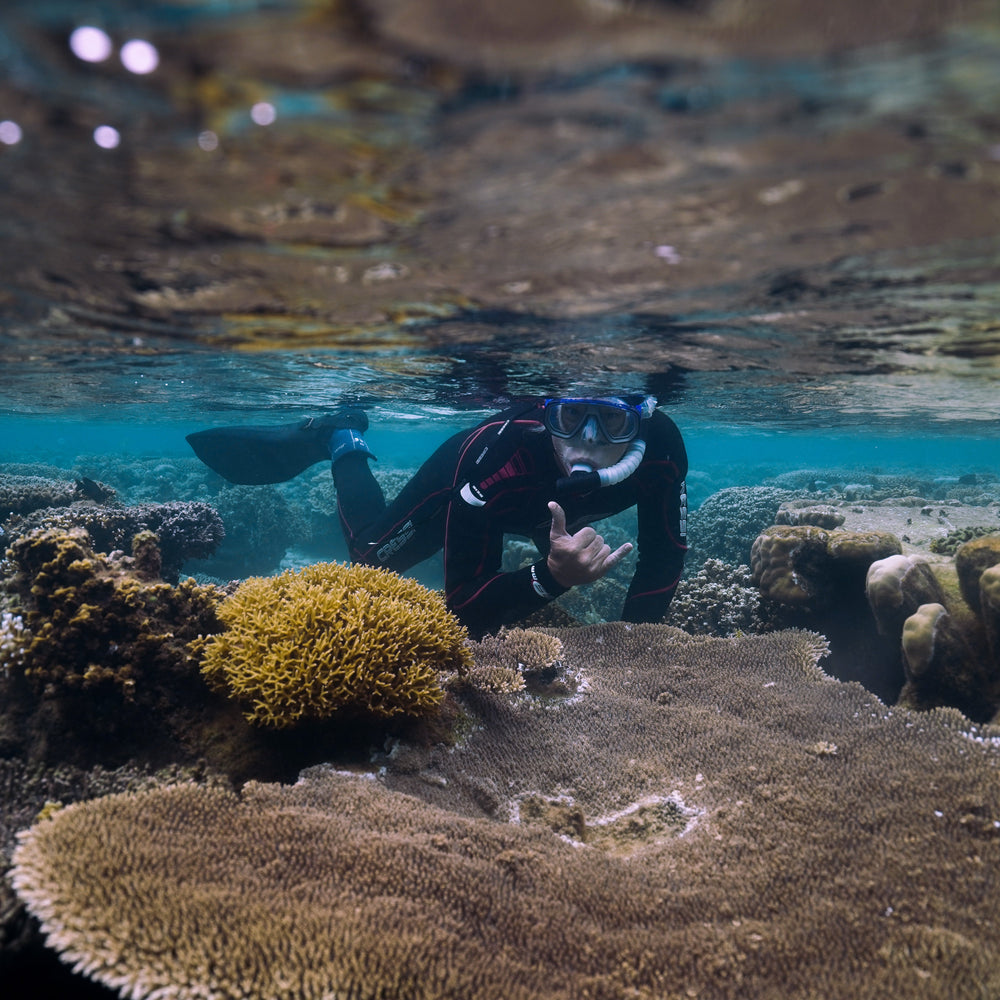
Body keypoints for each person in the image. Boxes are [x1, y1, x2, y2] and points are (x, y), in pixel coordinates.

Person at [187, 395, 687, 638]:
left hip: (541, 515)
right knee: (369, 557)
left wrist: (633, 654)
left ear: (641, 422)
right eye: (571, 416)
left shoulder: (663, 451)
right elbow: (464, 607)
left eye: (616, 419)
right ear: (546, 413)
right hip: (487, 491)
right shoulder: (498, 459)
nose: (590, 439)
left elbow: (664, 557)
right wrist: (549, 578)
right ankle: (341, 434)